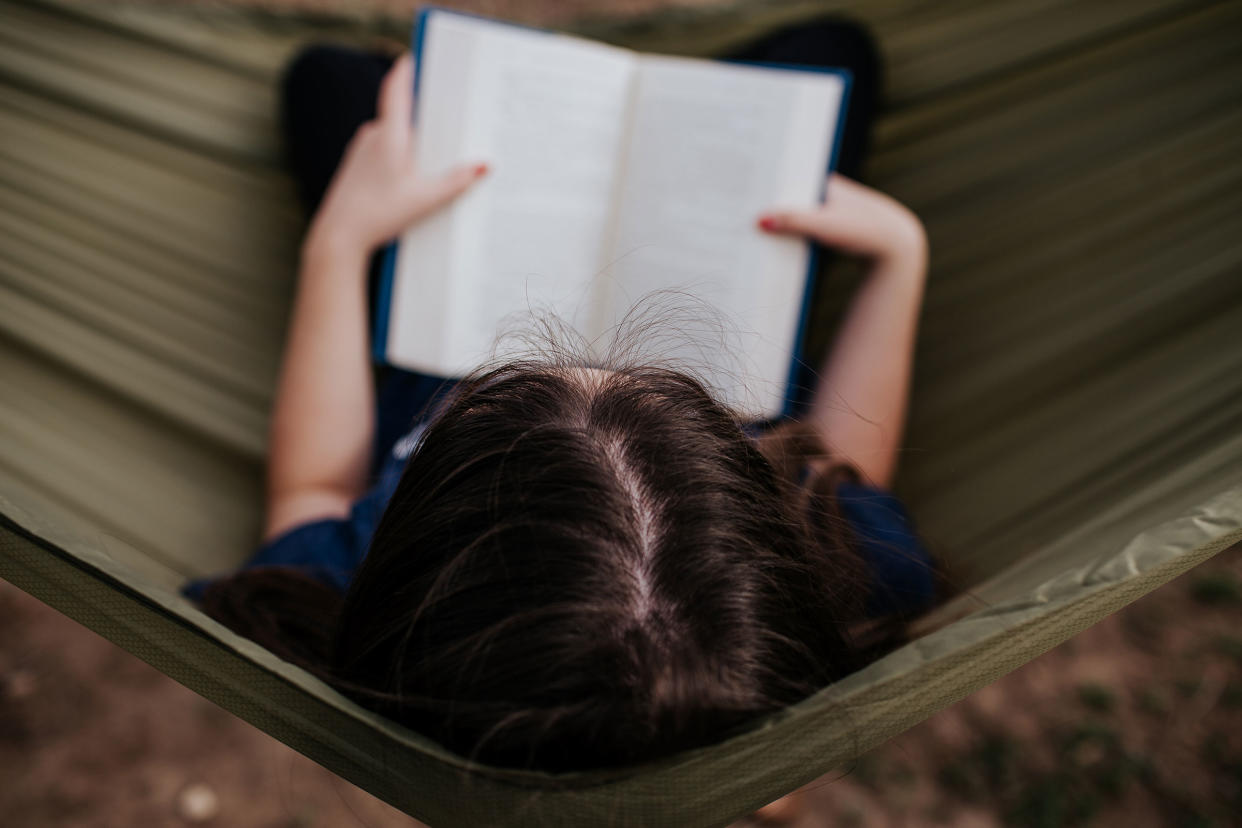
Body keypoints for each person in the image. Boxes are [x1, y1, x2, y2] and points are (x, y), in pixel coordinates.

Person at [191, 16, 934, 812]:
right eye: (683, 403)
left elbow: (313, 484)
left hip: (435, 330)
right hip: (731, 313)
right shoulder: (835, 582)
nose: (593, 349)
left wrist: (340, 243)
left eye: (496, 403)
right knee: (829, 55)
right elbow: (841, 472)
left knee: (330, 84)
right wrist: (898, 256)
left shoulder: (365, 587)